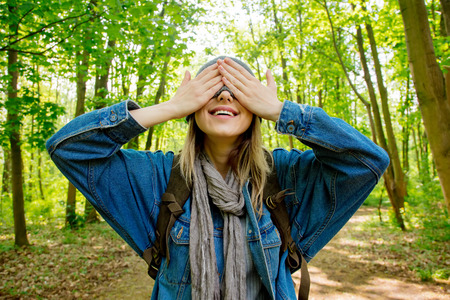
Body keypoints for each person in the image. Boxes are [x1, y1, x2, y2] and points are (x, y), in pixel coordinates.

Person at [46, 56, 389, 300]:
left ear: (255, 108)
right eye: (212, 89)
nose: (225, 95)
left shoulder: (286, 177)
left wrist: (282, 111)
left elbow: (367, 162)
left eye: (237, 90)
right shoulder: (157, 177)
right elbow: (68, 149)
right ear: (192, 109)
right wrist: (168, 108)